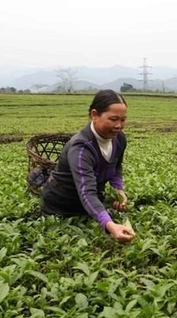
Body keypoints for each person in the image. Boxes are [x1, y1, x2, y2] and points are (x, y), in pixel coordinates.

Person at [41, 89, 135, 243]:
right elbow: (87, 191)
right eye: (113, 119)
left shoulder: (119, 139)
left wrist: (118, 190)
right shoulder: (81, 148)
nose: (119, 126)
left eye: (123, 120)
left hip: (91, 203)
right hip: (62, 208)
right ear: (94, 115)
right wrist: (110, 226)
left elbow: (116, 166)